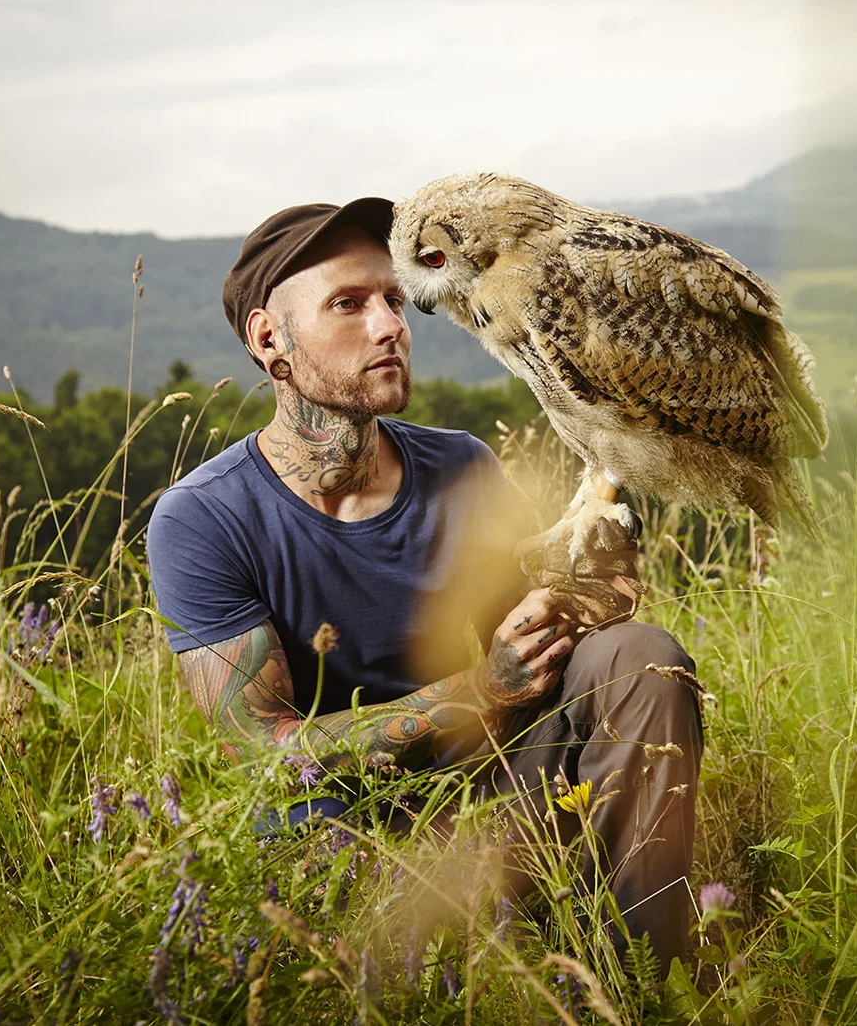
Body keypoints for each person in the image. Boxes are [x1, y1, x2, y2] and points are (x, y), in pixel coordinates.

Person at [145, 197, 704, 964]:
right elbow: (261, 750)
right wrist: (479, 691)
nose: (390, 326)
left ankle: (638, 978)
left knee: (638, 656)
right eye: (349, 304)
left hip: (496, 793)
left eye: (395, 300)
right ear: (270, 339)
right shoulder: (205, 517)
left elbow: (536, 648)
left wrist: (590, 588)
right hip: (345, 835)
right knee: (313, 833)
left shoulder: (460, 464)